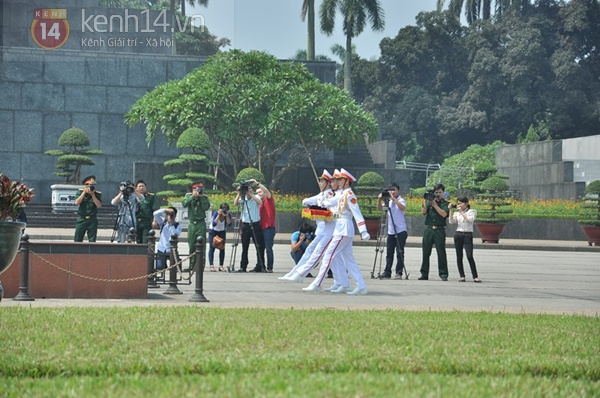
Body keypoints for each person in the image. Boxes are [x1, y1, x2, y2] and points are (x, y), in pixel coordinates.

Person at [302, 168, 371, 295]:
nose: (337, 182)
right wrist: (321, 202)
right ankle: (359, 285)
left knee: (328, 255)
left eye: (340, 180)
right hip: (340, 227)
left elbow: (357, 213)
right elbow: (333, 203)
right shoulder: (343, 194)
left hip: (343, 229)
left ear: (347, 182)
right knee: (349, 259)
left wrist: (363, 230)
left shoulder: (349, 195)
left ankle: (317, 283)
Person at [279, 169, 336, 283]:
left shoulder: (330, 195)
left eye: (322, 182)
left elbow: (330, 212)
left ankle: (299, 274)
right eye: (320, 181)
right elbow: (307, 201)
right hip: (322, 230)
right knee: (317, 253)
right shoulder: (322, 195)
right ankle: (295, 273)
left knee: (318, 254)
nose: (320, 184)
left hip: (328, 230)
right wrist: (306, 201)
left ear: (328, 183)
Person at [418, 183, 450, 281]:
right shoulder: (430, 202)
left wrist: (435, 205)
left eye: (440, 192)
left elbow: (444, 214)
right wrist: (426, 200)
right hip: (429, 229)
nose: (438, 194)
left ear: (443, 193)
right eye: (436, 192)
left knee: (441, 253)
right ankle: (424, 274)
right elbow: (423, 212)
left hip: (439, 230)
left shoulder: (445, 203)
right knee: (426, 253)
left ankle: (443, 274)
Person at [376, 183, 408, 279]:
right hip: (391, 231)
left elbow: (402, 208)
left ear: (398, 191)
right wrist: (379, 199)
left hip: (401, 231)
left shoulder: (401, 200)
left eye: (394, 190)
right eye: (391, 190)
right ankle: (387, 271)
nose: (392, 192)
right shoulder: (388, 201)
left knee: (400, 252)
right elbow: (379, 209)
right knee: (389, 253)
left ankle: (399, 272)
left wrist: (394, 199)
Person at [234, 181, 265, 272]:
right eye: (247, 189)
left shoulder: (256, 197)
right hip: (245, 225)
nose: (249, 190)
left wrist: (251, 195)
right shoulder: (243, 199)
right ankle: (243, 266)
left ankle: (261, 265)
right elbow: (235, 204)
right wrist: (239, 193)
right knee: (244, 247)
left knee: (258, 246)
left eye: (250, 189)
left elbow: (260, 202)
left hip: (255, 224)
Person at [449, 197, 482, 283]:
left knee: (469, 255)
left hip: (467, 234)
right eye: (458, 203)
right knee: (459, 256)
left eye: (461, 203)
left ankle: (475, 276)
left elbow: (469, 220)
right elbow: (451, 221)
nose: (459, 205)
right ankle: (462, 276)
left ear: (466, 203)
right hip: (458, 234)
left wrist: (460, 212)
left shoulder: (472, 211)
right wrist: (450, 211)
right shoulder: (457, 213)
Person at [182, 182, 211, 271]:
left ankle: (200, 266)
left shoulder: (204, 198)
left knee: (201, 245)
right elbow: (184, 204)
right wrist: (193, 196)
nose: (199, 192)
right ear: (193, 190)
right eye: (196, 190)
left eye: (200, 190)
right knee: (192, 245)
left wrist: (201, 198)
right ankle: (191, 266)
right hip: (192, 224)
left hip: (200, 223)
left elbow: (206, 207)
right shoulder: (188, 196)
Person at [254, 179, 276, 273]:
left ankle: (270, 267)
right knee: (260, 248)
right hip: (261, 227)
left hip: (269, 227)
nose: (259, 194)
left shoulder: (268, 199)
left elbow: (267, 191)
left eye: (260, 192)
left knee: (268, 248)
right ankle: (260, 265)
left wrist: (257, 184)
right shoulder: (259, 202)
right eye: (257, 192)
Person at [153, 207, 183, 271]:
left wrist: (171, 224)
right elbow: (155, 214)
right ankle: (163, 265)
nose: (169, 216)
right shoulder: (163, 222)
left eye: (171, 214)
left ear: (175, 215)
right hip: (161, 248)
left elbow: (174, 235)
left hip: (171, 249)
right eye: (167, 214)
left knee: (175, 268)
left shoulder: (178, 225)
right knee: (159, 268)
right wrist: (165, 210)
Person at [74, 175, 102, 242]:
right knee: (78, 239)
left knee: (92, 240)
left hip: (92, 219)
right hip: (82, 218)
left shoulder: (97, 194)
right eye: (89, 185)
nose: (91, 187)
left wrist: (93, 195)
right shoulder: (80, 192)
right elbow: (76, 203)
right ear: (86, 185)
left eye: (92, 185)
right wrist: (84, 192)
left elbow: (99, 205)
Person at [208, 202, 233, 272]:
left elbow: (230, 224)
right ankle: (211, 265)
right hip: (213, 230)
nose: (224, 211)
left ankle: (221, 265)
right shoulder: (216, 213)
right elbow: (214, 224)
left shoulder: (228, 214)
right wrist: (219, 215)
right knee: (212, 247)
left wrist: (227, 216)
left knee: (222, 248)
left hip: (222, 231)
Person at [134, 180, 157, 244]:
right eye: (140, 186)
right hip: (136, 221)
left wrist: (154, 221)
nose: (141, 188)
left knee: (145, 241)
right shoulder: (133, 196)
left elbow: (154, 209)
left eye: (143, 186)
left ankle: (145, 253)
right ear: (136, 188)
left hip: (146, 221)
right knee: (138, 240)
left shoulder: (150, 196)